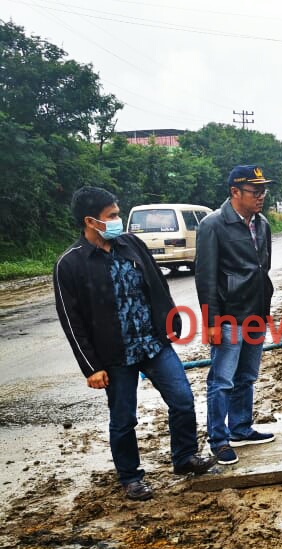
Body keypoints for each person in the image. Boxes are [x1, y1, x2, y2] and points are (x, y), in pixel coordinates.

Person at [54, 186, 215, 501]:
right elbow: (72, 322)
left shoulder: (132, 245)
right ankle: (130, 477)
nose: (118, 220)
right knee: (124, 418)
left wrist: (172, 321)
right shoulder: (71, 264)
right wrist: (91, 367)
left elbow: (157, 284)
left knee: (182, 400)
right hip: (115, 356)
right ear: (90, 221)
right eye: (111, 215)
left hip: (154, 344)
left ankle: (184, 458)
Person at [195, 165, 276, 465]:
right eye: (256, 192)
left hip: (255, 313)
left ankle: (241, 427)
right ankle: (219, 439)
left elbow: (261, 268)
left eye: (263, 191)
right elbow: (205, 278)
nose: (261, 197)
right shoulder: (213, 225)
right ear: (235, 192)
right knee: (222, 380)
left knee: (246, 376)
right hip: (228, 317)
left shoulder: (263, 223)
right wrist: (211, 322)